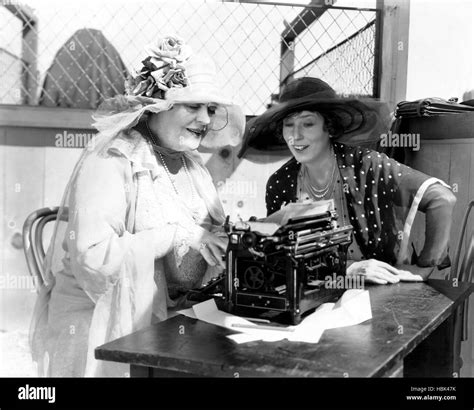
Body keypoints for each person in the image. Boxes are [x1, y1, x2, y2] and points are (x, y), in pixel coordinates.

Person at [29, 36, 245, 377]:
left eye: (211, 108)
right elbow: (93, 259)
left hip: (169, 316)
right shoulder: (112, 158)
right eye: (192, 106)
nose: (205, 118)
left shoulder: (191, 165)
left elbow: (208, 235)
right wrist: (175, 235)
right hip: (100, 325)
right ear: (154, 107)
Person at [244, 77, 456, 285]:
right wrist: (347, 268)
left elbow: (441, 199)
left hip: (382, 291)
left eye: (308, 123)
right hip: (317, 293)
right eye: (288, 125)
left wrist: (424, 268)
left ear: (330, 127)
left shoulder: (367, 165)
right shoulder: (280, 183)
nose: (295, 136)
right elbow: (277, 252)